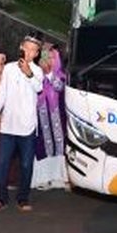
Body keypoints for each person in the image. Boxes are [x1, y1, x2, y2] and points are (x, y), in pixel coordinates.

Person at [0, 36, 45, 212]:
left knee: (26, 164)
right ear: (21, 47)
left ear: (37, 54)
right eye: (26, 48)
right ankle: (1, 198)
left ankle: (23, 197)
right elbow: (2, 92)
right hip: (8, 125)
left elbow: (38, 88)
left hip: (27, 126)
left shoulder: (37, 71)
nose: (29, 52)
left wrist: (28, 73)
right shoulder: (9, 68)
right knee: (2, 164)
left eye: (33, 50)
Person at [31, 43, 68, 191]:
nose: (50, 61)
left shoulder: (62, 77)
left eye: (53, 57)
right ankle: (43, 178)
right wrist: (43, 74)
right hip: (41, 118)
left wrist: (49, 74)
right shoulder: (36, 76)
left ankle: (60, 178)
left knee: (60, 146)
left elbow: (59, 87)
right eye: (47, 57)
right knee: (43, 146)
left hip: (58, 118)